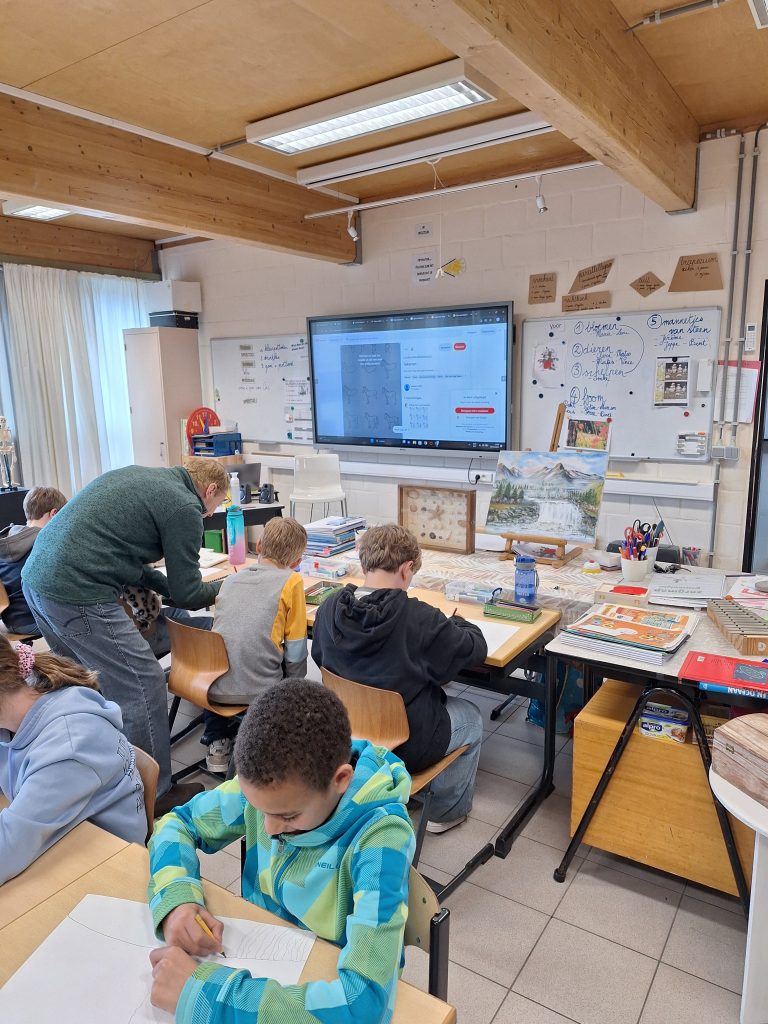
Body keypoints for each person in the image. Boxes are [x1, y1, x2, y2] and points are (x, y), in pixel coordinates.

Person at [147, 680, 415, 1024]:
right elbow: (176, 824)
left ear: (341, 780)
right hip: (262, 956)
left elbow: (363, 1003)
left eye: (288, 816)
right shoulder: (272, 788)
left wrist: (204, 996)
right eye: (260, 810)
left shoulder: (380, 839)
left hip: (319, 980)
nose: (269, 828)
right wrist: (177, 899)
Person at [22, 458, 229, 812]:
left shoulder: (144, 477)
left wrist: (169, 586)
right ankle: (155, 794)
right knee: (143, 682)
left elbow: (131, 566)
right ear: (209, 490)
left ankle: (104, 771)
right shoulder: (185, 507)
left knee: (83, 681)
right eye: (216, 505)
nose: (210, 514)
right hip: (77, 591)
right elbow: (190, 593)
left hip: (37, 581)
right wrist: (227, 588)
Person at [312, 523, 487, 833]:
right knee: (471, 717)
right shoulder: (419, 618)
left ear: (363, 562)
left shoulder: (329, 608)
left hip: (345, 735)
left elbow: (320, 658)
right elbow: (474, 650)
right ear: (407, 569)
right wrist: (459, 622)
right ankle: (446, 812)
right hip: (408, 745)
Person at [0, 638, 146, 884]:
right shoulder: (19, 705)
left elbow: (8, 848)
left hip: (110, 870)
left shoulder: (69, 746)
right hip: (61, 842)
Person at [202, 516, 308, 772]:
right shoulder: (292, 582)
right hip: (261, 692)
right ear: (297, 562)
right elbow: (295, 646)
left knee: (232, 655)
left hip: (210, 687)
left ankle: (217, 743)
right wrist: (293, 686)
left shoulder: (230, 579)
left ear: (258, 545)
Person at [0, 485, 66, 637]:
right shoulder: (43, 544)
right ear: (54, 514)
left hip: (11, 619)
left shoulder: (8, 538)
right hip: (33, 620)